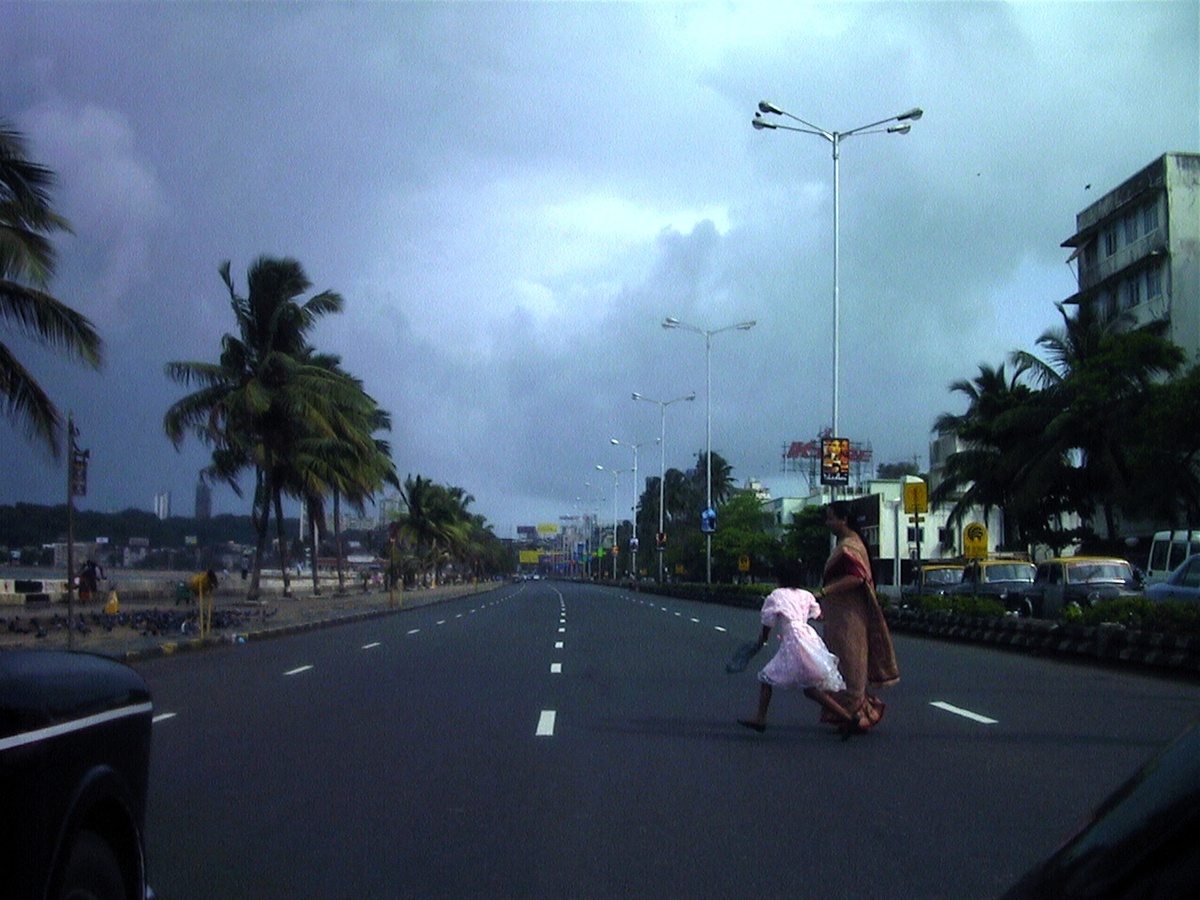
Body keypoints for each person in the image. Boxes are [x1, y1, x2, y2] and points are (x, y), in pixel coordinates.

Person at [806, 501, 900, 737]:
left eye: (830, 518)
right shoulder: (847, 545)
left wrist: (824, 593)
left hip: (851, 616)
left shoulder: (850, 547)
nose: (828, 523)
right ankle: (846, 714)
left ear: (843, 520)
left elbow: (856, 578)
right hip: (841, 614)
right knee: (841, 662)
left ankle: (856, 715)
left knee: (850, 663)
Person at [737, 559, 846, 733]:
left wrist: (762, 640)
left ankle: (760, 718)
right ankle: (848, 717)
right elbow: (818, 615)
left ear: (779, 577)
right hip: (808, 637)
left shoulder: (776, 596)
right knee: (810, 688)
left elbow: (768, 622)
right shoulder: (806, 595)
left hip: (793, 640)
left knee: (766, 677)